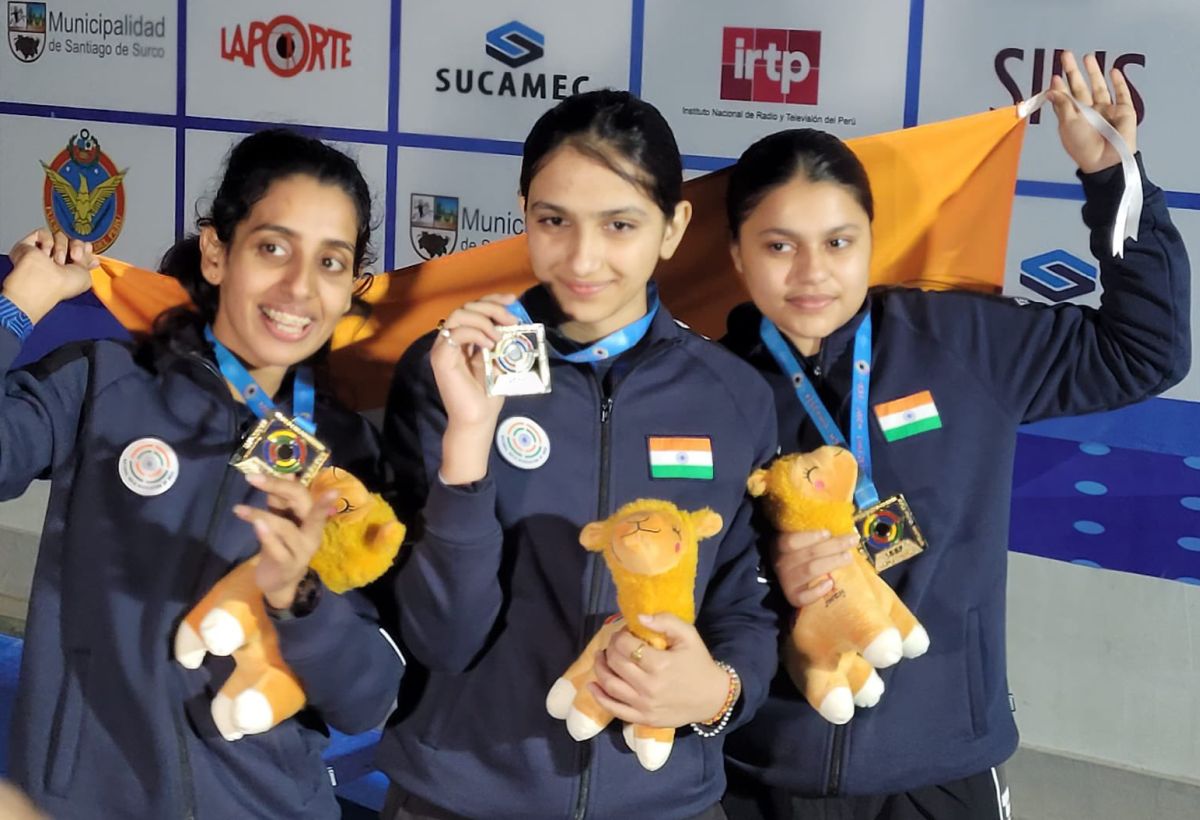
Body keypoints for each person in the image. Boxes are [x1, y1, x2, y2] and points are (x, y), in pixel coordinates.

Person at [719, 52, 1190, 820]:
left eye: (839, 242)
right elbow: (683, 572)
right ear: (737, 254)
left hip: (940, 768)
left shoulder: (961, 344)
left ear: (873, 241)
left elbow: (1147, 350)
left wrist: (1113, 179)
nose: (812, 272)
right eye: (778, 245)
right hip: (763, 767)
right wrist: (771, 574)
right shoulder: (708, 389)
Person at [379, 90, 779, 819]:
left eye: (619, 225)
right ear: (522, 212)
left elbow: (744, 608)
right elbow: (439, 637)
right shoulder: (450, 371)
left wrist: (717, 692)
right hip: (461, 797)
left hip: (664, 801)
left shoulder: (732, 395)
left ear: (673, 227)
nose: (582, 258)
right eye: (553, 221)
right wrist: (468, 442)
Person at [3, 129, 405, 819]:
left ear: (351, 288)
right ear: (218, 252)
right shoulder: (105, 382)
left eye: (331, 262)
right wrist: (17, 308)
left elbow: (371, 695)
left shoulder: (347, 457)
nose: (299, 287)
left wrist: (298, 598)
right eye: (273, 247)